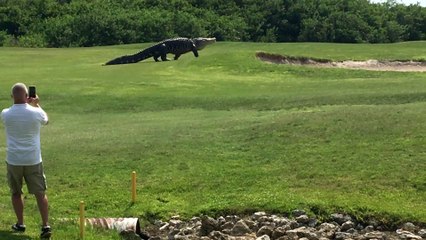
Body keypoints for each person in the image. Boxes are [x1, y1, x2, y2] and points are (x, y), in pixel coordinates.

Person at [1, 83, 51, 238]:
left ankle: (20, 223)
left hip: (14, 160)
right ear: (27, 96)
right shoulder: (36, 112)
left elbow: (12, 114)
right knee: (40, 193)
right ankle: (45, 226)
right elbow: (46, 120)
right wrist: (37, 104)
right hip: (33, 159)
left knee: (16, 193)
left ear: (12, 97)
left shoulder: (5, 113)